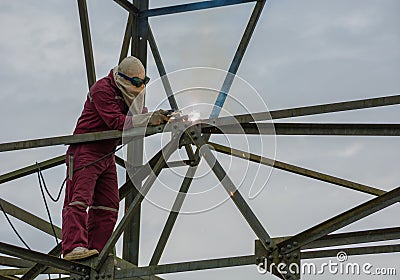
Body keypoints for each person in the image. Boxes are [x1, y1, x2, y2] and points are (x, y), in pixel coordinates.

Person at [62, 56, 169, 261]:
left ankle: (96, 252)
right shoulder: (102, 89)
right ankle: (73, 246)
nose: (138, 87)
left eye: (142, 82)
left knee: (109, 205)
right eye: (135, 83)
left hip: (106, 153)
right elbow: (116, 121)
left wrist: (161, 119)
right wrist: (148, 119)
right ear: (122, 78)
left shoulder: (131, 92)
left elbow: (138, 117)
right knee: (78, 199)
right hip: (86, 150)